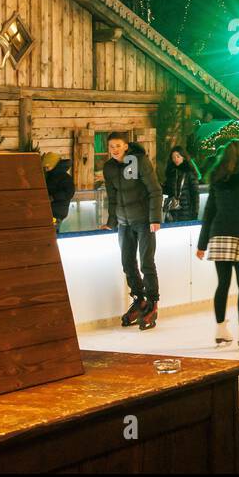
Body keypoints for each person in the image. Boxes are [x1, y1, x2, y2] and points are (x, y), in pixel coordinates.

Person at [196, 140, 239, 349]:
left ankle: (220, 329)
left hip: (218, 235)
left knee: (223, 284)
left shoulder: (218, 179)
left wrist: (202, 244)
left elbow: (209, 213)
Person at [100, 132, 163, 330]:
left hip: (144, 221)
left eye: (118, 145)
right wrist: (111, 221)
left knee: (146, 263)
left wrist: (155, 218)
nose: (114, 150)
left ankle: (152, 302)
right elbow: (112, 196)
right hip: (123, 222)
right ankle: (140, 299)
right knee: (127, 263)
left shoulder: (138, 162)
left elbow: (155, 191)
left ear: (126, 146)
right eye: (111, 146)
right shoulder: (109, 167)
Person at [162, 146, 201, 222]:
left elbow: (195, 194)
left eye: (178, 156)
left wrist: (195, 212)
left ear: (183, 157)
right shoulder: (171, 173)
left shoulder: (189, 173)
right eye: (173, 157)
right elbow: (168, 190)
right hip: (172, 210)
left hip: (186, 211)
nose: (175, 159)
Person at [43, 152, 75, 232]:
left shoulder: (65, 177)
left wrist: (53, 197)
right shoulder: (50, 176)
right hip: (49, 211)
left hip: (57, 214)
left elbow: (69, 193)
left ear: (54, 164)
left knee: (52, 233)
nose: (46, 169)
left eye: (48, 166)